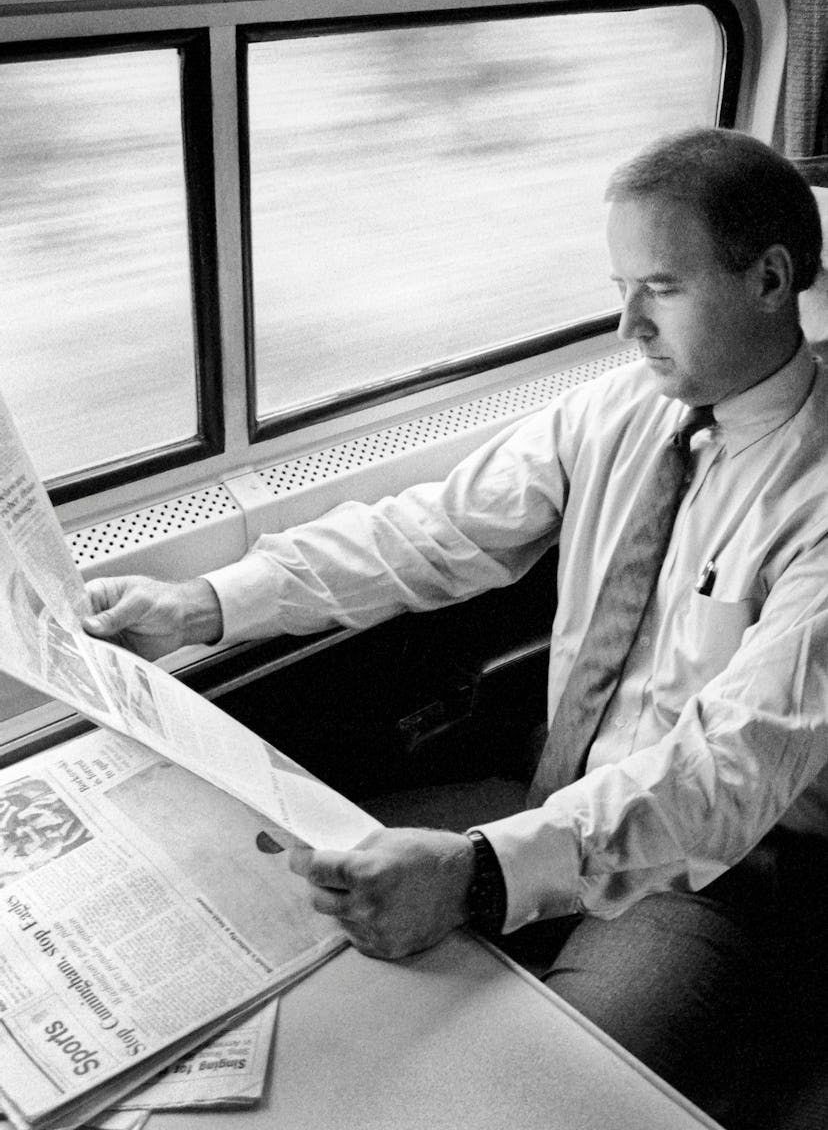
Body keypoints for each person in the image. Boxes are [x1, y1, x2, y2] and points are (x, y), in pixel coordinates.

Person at [83, 128, 828, 1128]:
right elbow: (429, 530)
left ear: (772, 278)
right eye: (621, 286)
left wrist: (477, 869)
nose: (626, 324)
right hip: (546, 790)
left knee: (534, 1107)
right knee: (266, 902)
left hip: (723, 871)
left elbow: (725, 772)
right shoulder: (615, 413)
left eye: (661, 287)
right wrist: (203, 603)